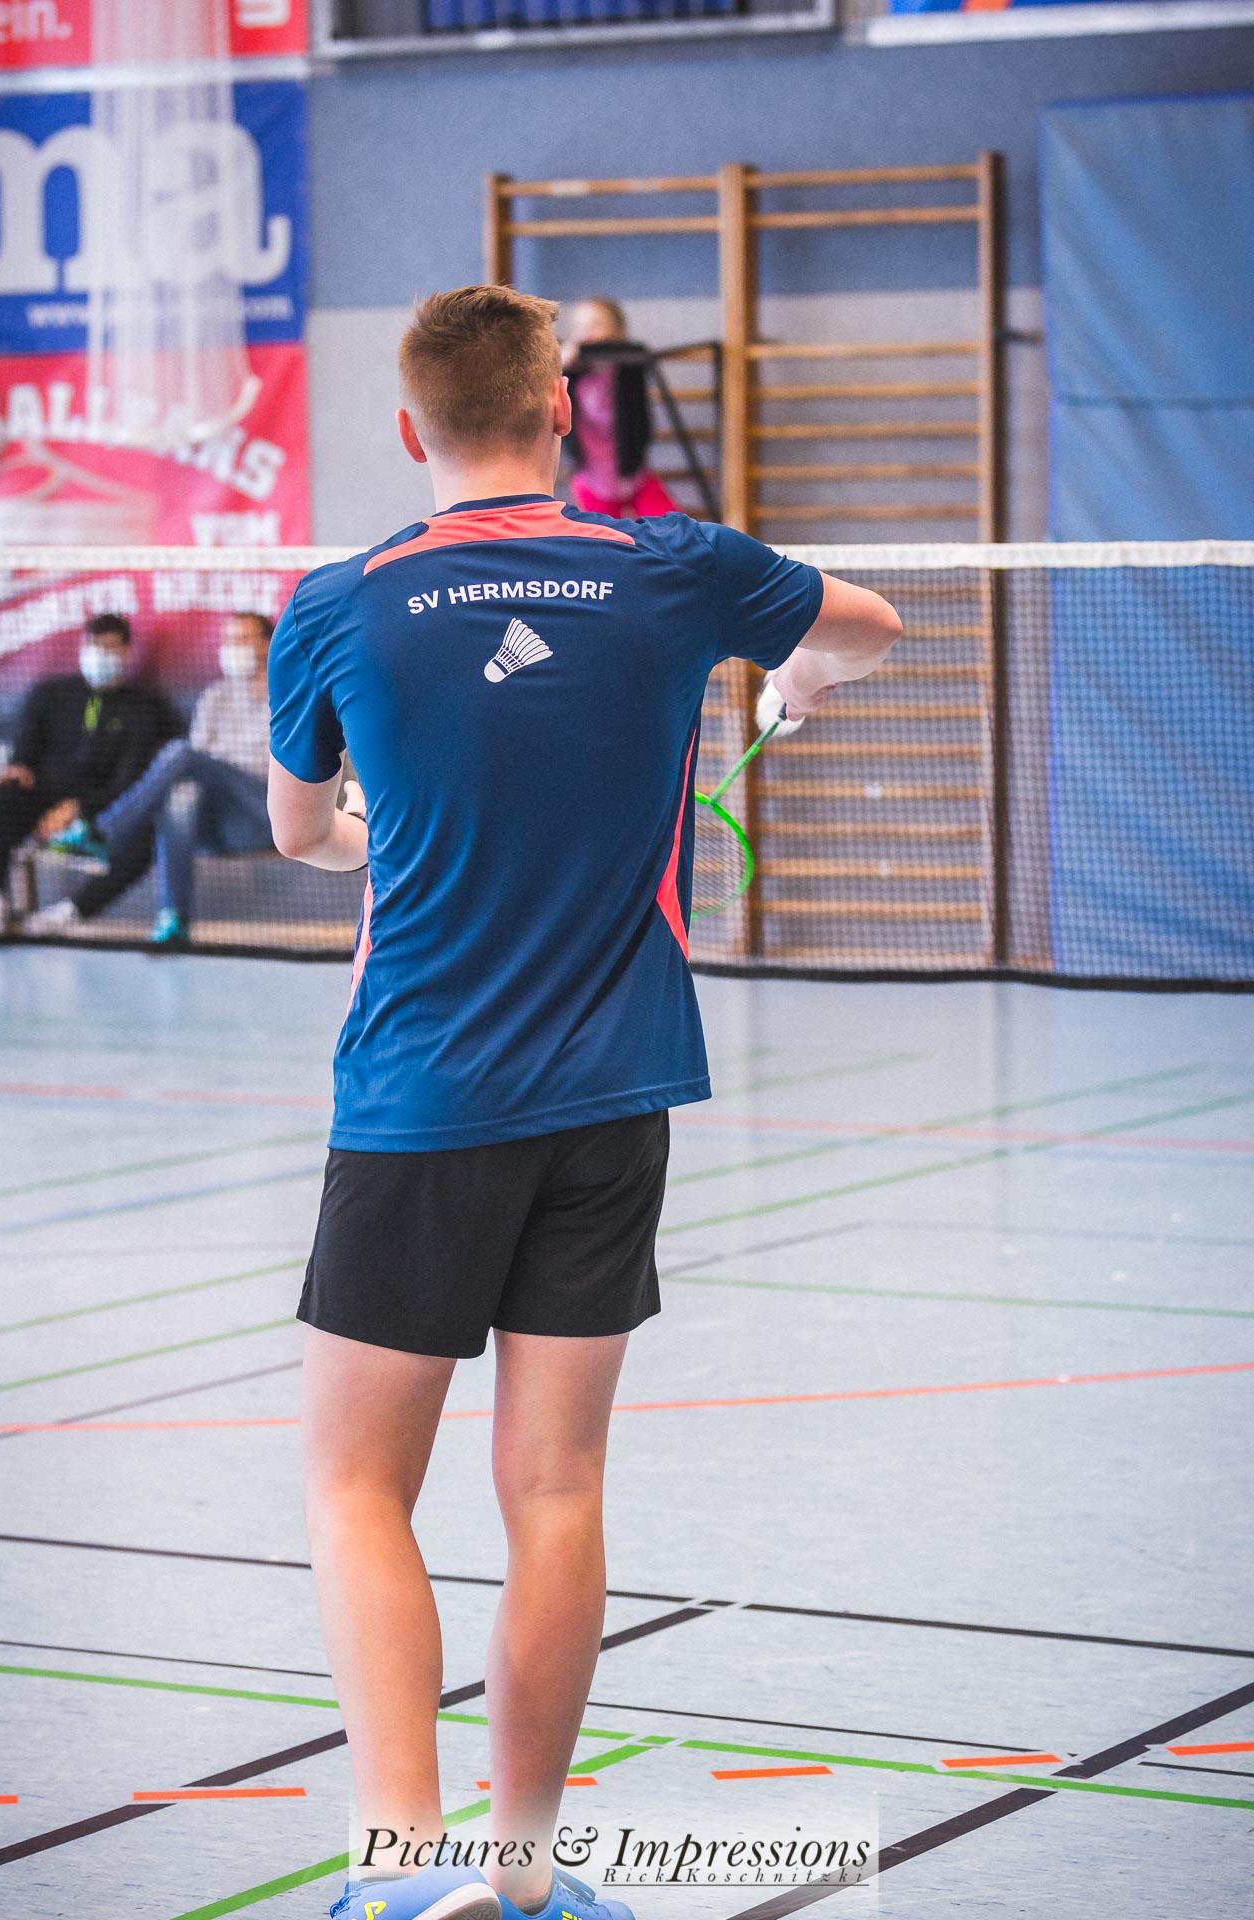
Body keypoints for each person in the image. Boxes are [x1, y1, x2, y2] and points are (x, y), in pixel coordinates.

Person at [265, 284, 900, 1920]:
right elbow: (870, 625)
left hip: (416, 1098)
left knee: (355, 1487)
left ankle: (402, 1871)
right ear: (563, 411)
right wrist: (800, 681)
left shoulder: (336, 604)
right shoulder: (673, 566)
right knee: (554, 1490)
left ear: (408, 429)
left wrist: (382, 836)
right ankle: (530, 1872)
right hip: (613, 1095)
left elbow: (299, 835)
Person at [25, 611, 278, 945]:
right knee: (181, 796)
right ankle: (173, 920)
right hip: (225, 825)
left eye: (243, 639)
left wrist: (216, 760)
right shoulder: (215, 698)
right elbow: (201, 764)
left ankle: (104, 831)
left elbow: (268, 766)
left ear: (268, 644)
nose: (233, 647)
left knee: (180, 753)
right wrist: (215, 761)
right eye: (229, 640)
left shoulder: (288, 695)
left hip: (268, 815)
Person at [0, 613, 181, 936]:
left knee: (148, 835)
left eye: (109, 647)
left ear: (127, 652)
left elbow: (132, 780)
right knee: (3, 795)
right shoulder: (49, 694)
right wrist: (18, 766)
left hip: (104, 809)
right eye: (92, 645)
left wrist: (80, 808)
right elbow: (24, 754)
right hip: (43, 801)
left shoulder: (145, 707)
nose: (99, 654)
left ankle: (69, 912)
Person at [560, 297, 678, 518]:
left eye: (596, 324)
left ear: (618, 332)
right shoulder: (572, 375)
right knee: (603, 535)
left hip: (633, 476)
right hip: (592, 480)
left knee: (671, 524)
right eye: (579, 327)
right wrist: (561, 366)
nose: (587, 332)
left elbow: (638, 419)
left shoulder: (628, 371)